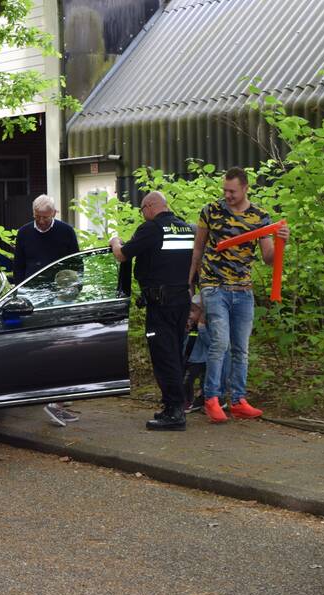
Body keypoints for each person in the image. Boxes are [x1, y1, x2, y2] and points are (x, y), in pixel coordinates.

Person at [188, 167, 290, 423]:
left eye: (232, 191)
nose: (227, 195)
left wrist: (281, 243)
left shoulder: (260, 217)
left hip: (243, 290)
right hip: (214, 287)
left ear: (245, 188)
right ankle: (212, 397)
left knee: (241, 349)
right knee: (220, 342)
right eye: (225, 190)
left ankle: (238, 400)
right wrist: (190, 281)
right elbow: (198, 248)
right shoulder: (211, 211)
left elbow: (268, 259)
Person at [108, 191, 195, 430]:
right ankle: (173, 406)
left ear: (149, 206)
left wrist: (115, 240)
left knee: (164, 356)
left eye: (142, 210)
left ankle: (175, 412)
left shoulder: (151, 229)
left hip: (161, 304)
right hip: (181, 302)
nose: (142, 215)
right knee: (175, 354)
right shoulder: (186, 228)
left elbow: (122, 255)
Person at [12, 195, 82, 427]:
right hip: (33, 296)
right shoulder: (24, 233)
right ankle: (48, 394)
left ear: (54, 214)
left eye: (45, 217)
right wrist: (19, 293)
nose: (41, 222)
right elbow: (18, 267)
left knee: (62, 344)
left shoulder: (65, 232)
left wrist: (74, 290)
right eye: (37, 217)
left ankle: (57, 396)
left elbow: (76, 264)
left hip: (60, 296)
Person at [183, 294, 230, 413]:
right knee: (186, 381)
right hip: (190, 360)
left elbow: (211, 344)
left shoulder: (208, 327)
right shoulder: (190, 326)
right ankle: (186, 401)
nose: (190, 314)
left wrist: (202, 328)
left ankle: (206, 402)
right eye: (189, 310)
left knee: (205, 384)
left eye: (193, 311)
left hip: (203, 360)